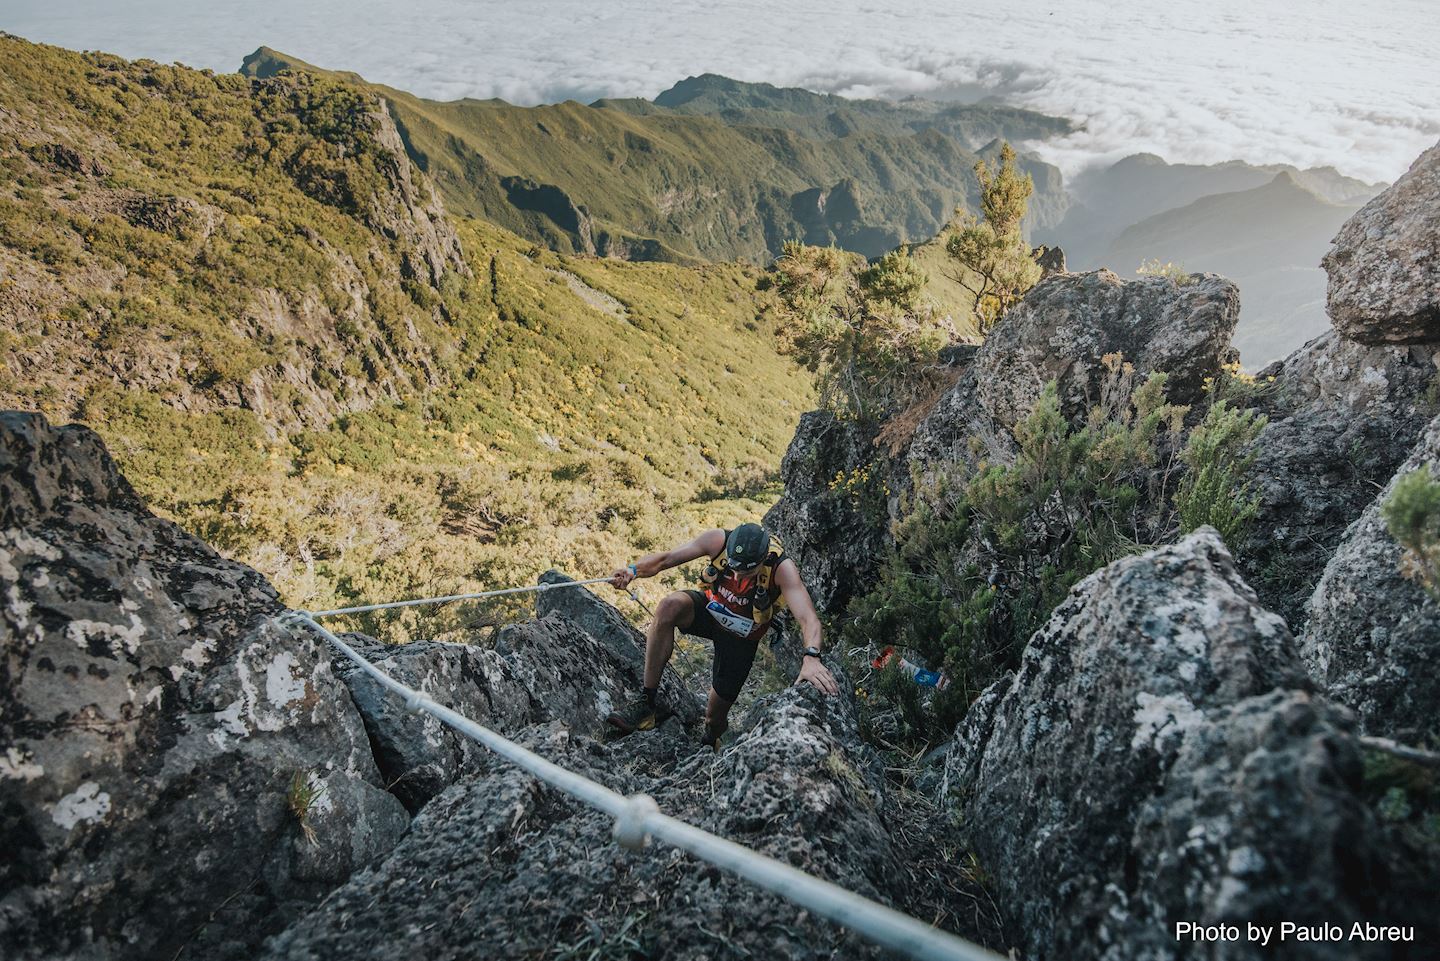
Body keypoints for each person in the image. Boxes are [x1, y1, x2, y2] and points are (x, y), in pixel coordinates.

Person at [606, 522, 838, 748]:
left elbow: (809, 619)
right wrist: (632, 570)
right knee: (669, 606)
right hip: (710, 612)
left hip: (741, 639)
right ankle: (647, 701)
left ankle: (710, 741)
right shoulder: (717, 541)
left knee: (714, 718)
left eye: (747, 572)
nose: (737, 577)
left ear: (763, 559)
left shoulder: (781, 569)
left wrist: (811, 657)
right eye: (734, 568)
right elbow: (666, 559)